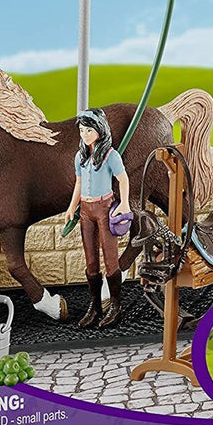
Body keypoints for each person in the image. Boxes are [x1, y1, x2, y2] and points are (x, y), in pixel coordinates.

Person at [64, 108, 131, 329]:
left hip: (104, 208)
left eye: (89, 130)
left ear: (100, 130)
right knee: (91, 260)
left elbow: (123, 179)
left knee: (110, 258)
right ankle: (95, 306)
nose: (84, 135)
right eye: (82, 130)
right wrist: (72, 207)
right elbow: (79, 183)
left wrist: (124, 203)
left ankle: (116, 305)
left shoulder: (111, 156)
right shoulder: (80, 157)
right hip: (86, 210)